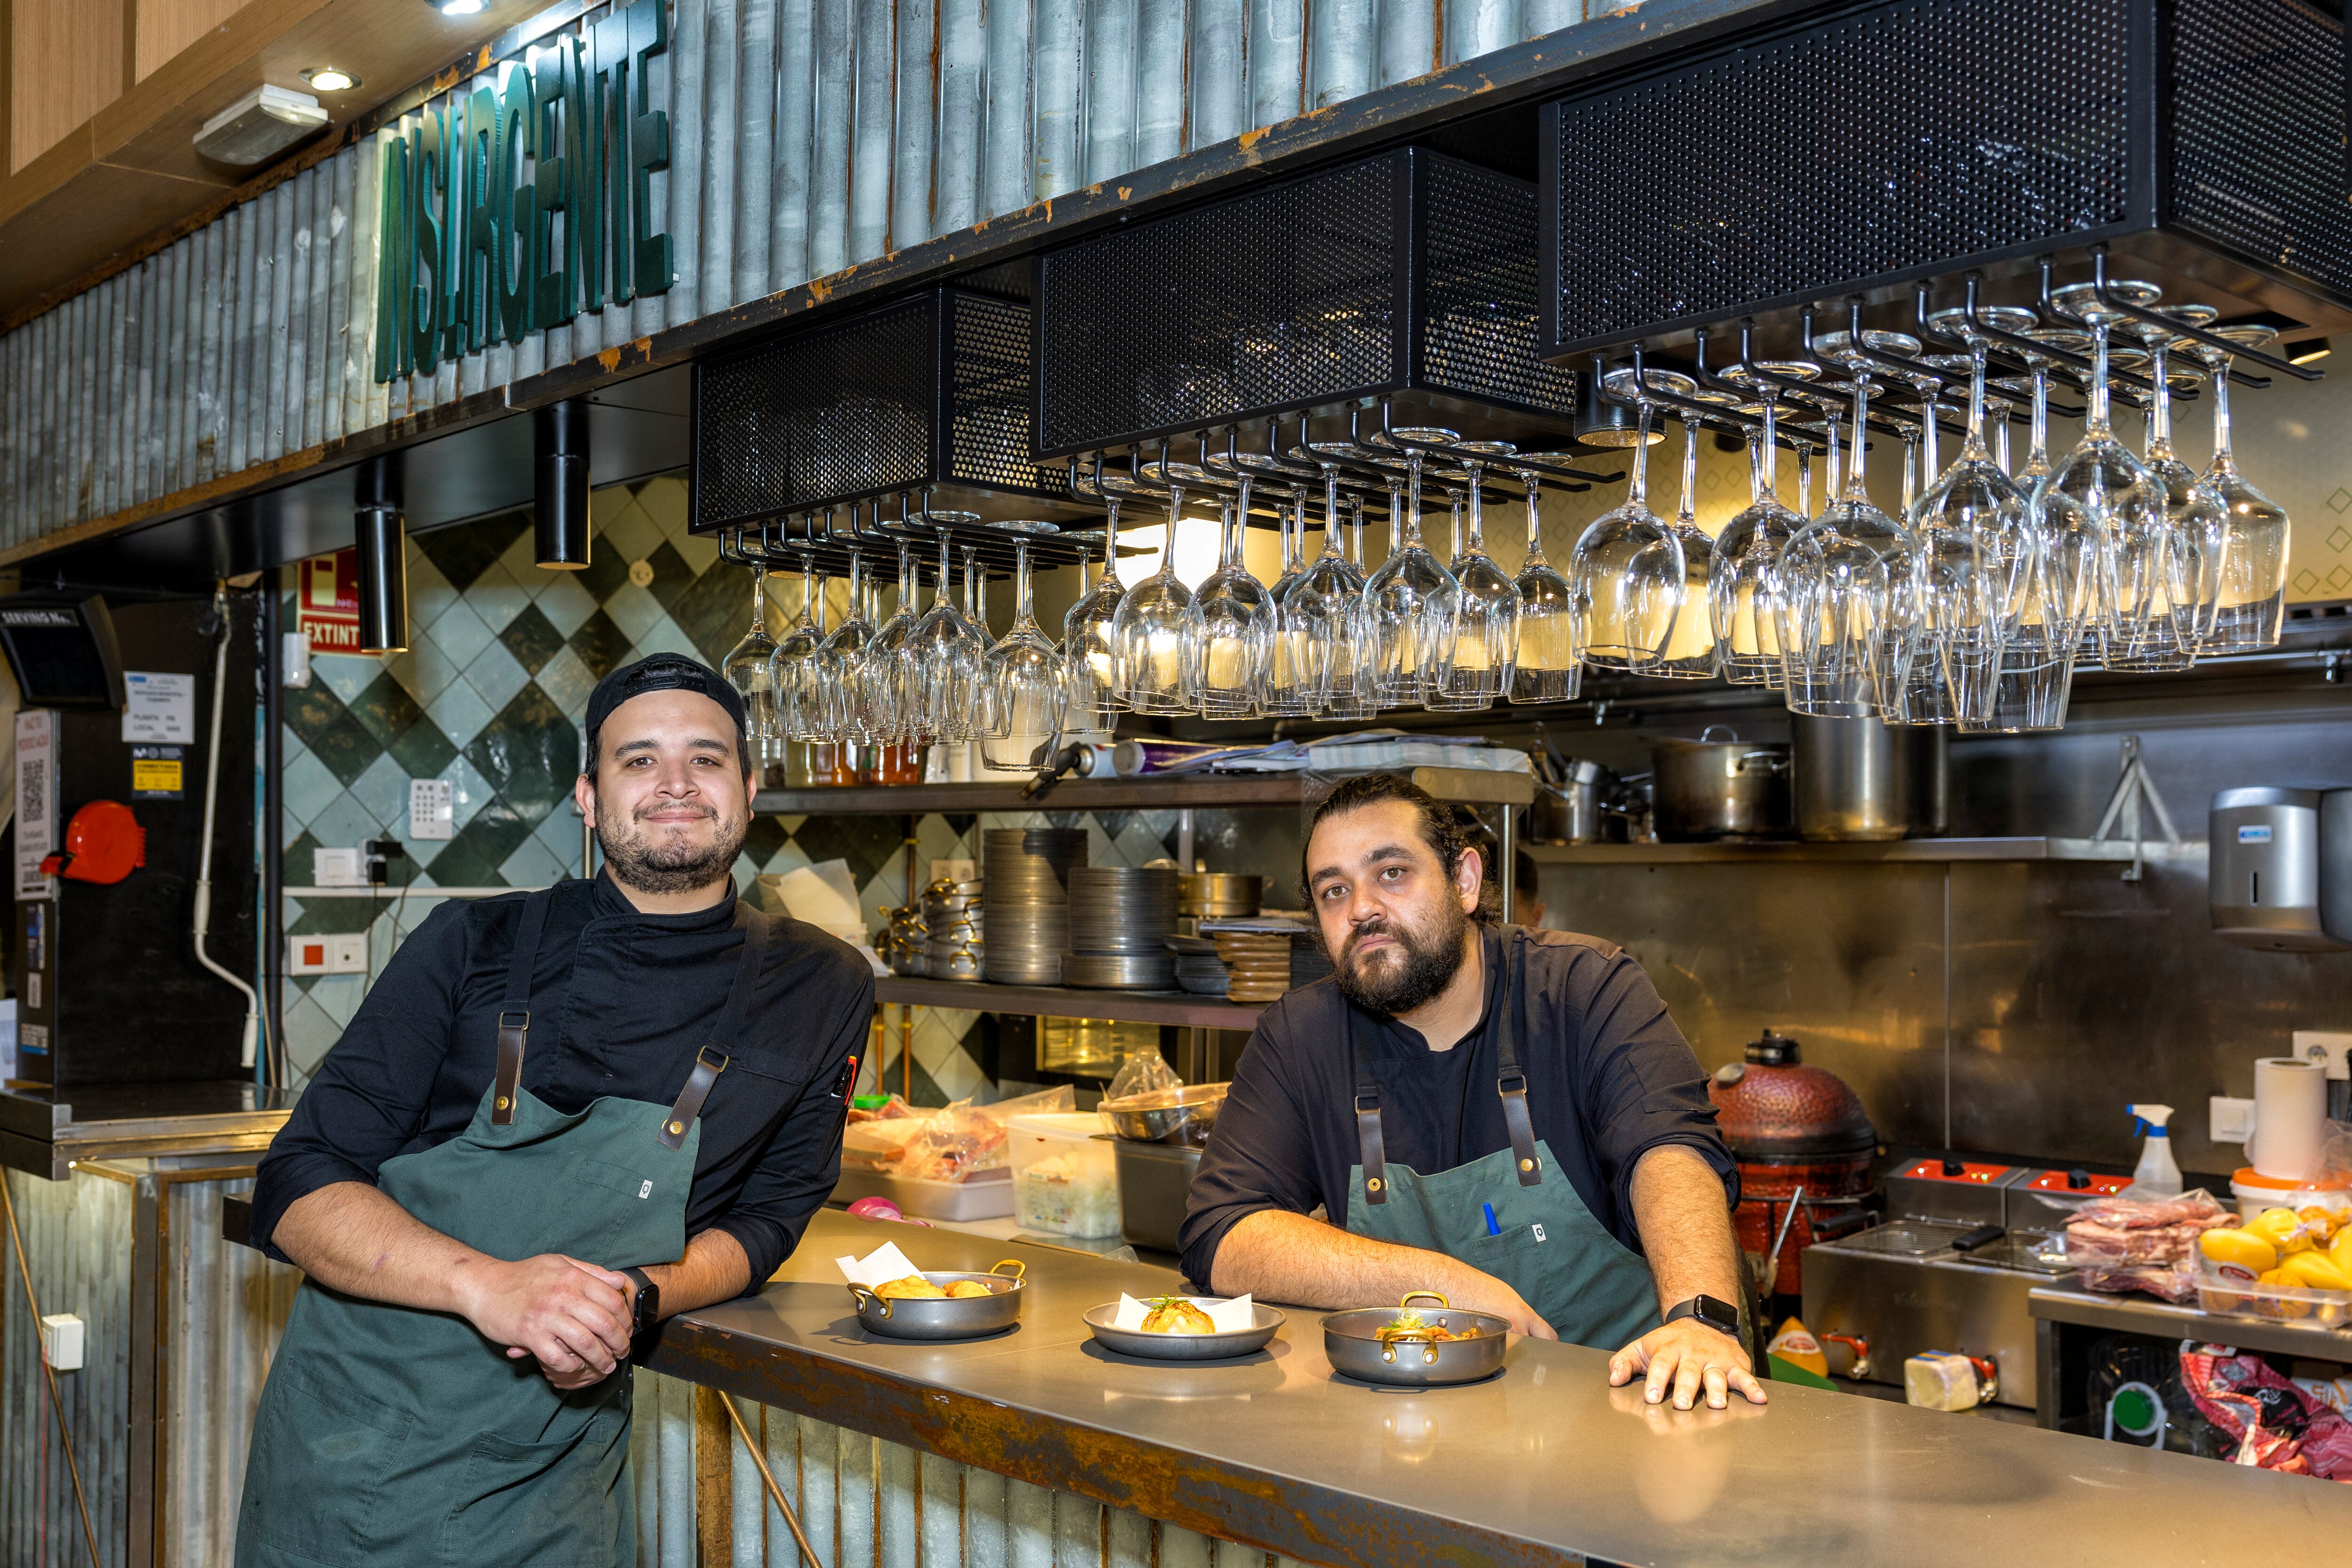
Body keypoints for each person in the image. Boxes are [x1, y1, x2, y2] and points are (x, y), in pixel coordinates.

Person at [235, 654, 873, 1568]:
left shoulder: (820, 982)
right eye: (639, 760)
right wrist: (488, 1286)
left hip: (564, 1466)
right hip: (369, 1455)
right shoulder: (472, 941)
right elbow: (297, 1182)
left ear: (750, 788)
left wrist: (632, 1297)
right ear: (587, 795)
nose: (676, 783)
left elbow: (770, 1214)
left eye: (706, 757)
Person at [1182, 773, 1764, 1411]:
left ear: (1463, 880)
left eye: (1393, 873)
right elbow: (1222, 1231)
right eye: (1334, 890)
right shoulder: (1301, 1035)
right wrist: (1440, 1284)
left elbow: (1670, 1151)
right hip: (1412, 1421)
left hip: (1628, 1409)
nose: (1362, 908)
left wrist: (1700, 1319)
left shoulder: (1584, 989)